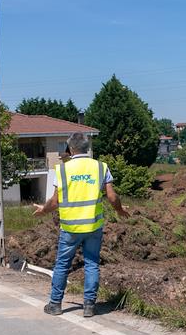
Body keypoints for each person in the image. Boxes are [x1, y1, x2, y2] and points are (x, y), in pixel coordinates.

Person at [33, 132, 129, 318]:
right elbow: (112, 196)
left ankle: (55, 304)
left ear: (71, 149)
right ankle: (89, 306)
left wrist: (43, 211)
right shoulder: (101, 167)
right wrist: (119, 209)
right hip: (93, 226)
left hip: (69, 228)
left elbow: (55, 201)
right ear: (87, 147)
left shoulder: (62, 170)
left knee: (62, 265)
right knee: (92, 264)